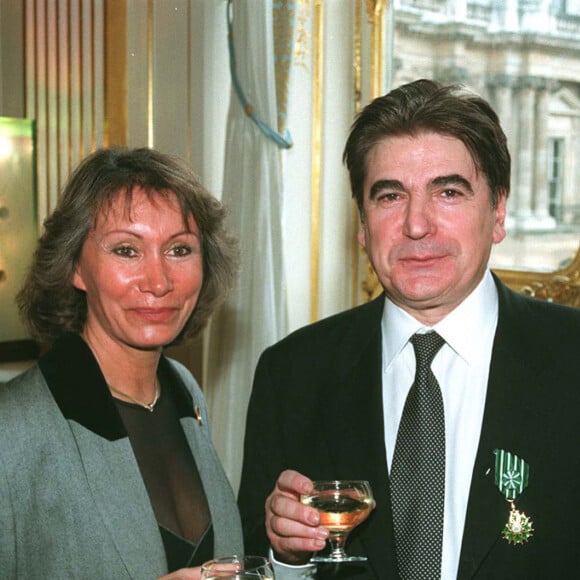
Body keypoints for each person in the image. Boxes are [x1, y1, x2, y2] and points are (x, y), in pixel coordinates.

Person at [238, 79, 580, 579]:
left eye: (447, 192)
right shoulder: (291, 373)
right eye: (390, 196)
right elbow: (253, 559)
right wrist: (286, 557)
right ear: (361, 223)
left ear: (498, 211)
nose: (416, 225)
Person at [0, 147, 243, 579]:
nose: (158, 281)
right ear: (75, 267)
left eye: (180, 250)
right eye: (128, 251)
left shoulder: (183, 390)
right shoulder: (12, 426)